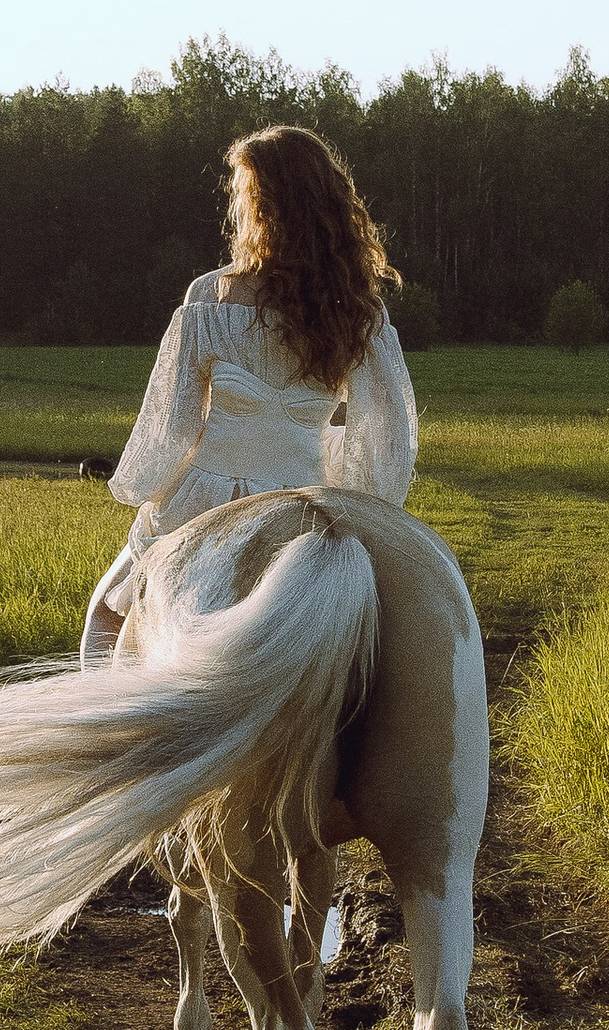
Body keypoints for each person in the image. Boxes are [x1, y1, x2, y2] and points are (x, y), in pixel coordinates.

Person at [80, 126, 420, 665]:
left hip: (206, 501)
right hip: (306, 508)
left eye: (242, 192)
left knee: (104, 624)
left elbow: (171, 428)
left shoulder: (210, 297)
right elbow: (386, 436)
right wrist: (356, 502)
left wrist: (143, 489)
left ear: (261, 206)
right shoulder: (357, 312)